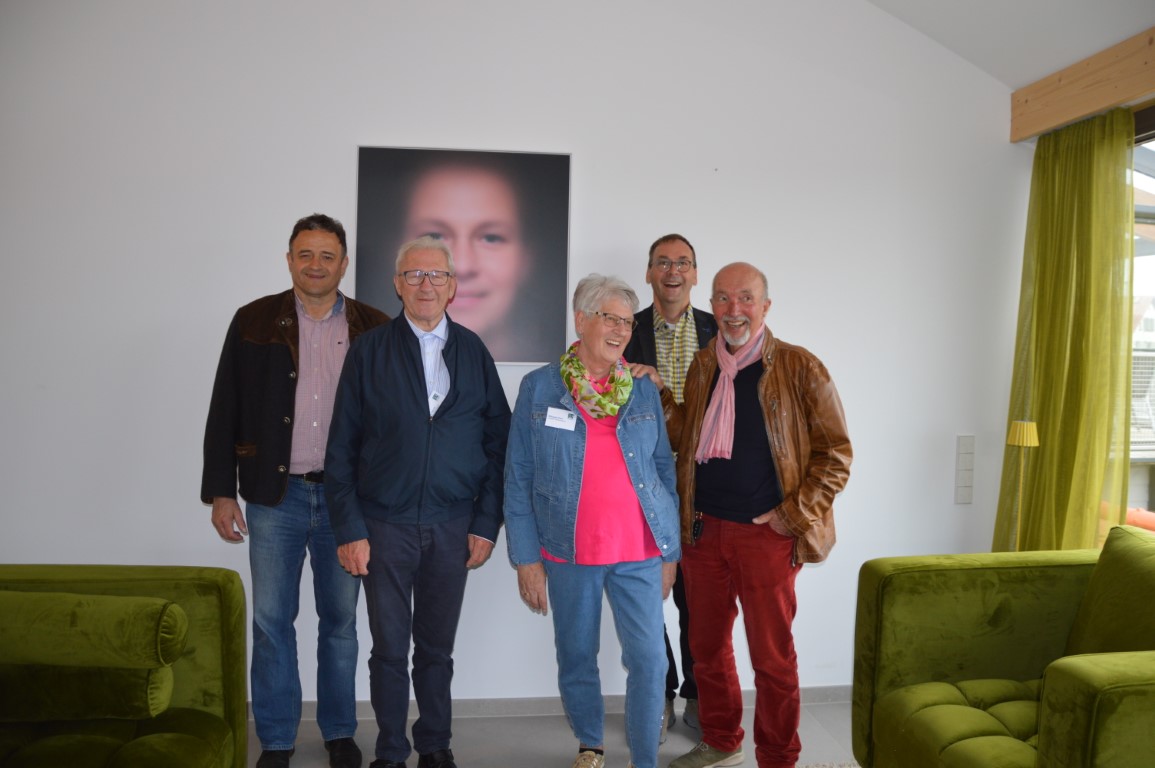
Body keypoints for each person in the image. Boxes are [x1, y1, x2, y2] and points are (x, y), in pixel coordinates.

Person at [201, 213, 390, 768]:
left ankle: (339, 732)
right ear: (289, 259)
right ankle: (278, 738)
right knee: (270, 623)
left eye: (327, 256)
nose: (315, 265)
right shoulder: (252, 321)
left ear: (344, 264)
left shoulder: (374, 327)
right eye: (305, 254)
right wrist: (221, 491)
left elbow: (391, 420)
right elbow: (224, 406)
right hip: (272, 497)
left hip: (345, 502)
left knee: (341, 624)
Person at [325, 236, 511, 768]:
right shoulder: (368, 351)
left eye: (436, 275)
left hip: (452, 526)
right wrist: (349, 529)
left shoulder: (473, 351)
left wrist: (486, 523)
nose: (425, 284)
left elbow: (499, 444)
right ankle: (390, 750)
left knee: (435, 650)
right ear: (397, 284)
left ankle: (434, 745)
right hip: (384, 526)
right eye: (414, 275)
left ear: (452, 287)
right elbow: (341, 449)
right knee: (388, 649)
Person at [663, 262, 852, 768]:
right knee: (706, 650)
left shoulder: (799, 366)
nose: (734, 309)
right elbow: (687, 437)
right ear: (712, 307)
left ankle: (778, 756)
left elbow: (836, 454)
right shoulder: (704, 366)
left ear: (765, 306)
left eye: (745, 298)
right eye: (723, 298)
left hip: (767, 536)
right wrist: (659, 394)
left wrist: (793, 516)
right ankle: (722, 739)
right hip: (703, 531)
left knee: (772, 657)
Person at [504, 274, 682, 768]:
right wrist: (526, 558)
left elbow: (663, 470)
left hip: (640, 549)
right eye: (610, 318)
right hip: (569, 549)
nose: (621, 330)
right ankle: (591, 744)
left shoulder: (642, 389)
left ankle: (644, 758)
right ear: (581, 320)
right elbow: (517, 477)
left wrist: (670, 551)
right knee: (577, 655)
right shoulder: (540, 387)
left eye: (627, 322)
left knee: (650, 660)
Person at [622, 234, 717, 740]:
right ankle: (657, 692)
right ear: (649, 273)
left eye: (683, 263)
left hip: (705, 488)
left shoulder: (720, 331)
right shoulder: (625, 329)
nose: (673, 271)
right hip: (641, 484)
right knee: (644, 597)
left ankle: (699, 695)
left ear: (696, 274)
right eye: (663, 262)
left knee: (697, 600)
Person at [355, 149, 569, 363]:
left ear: (526, 258)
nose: (464, 266)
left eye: (491, 238)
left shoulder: (477, 352)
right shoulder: (366, 351)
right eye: (435, 235)